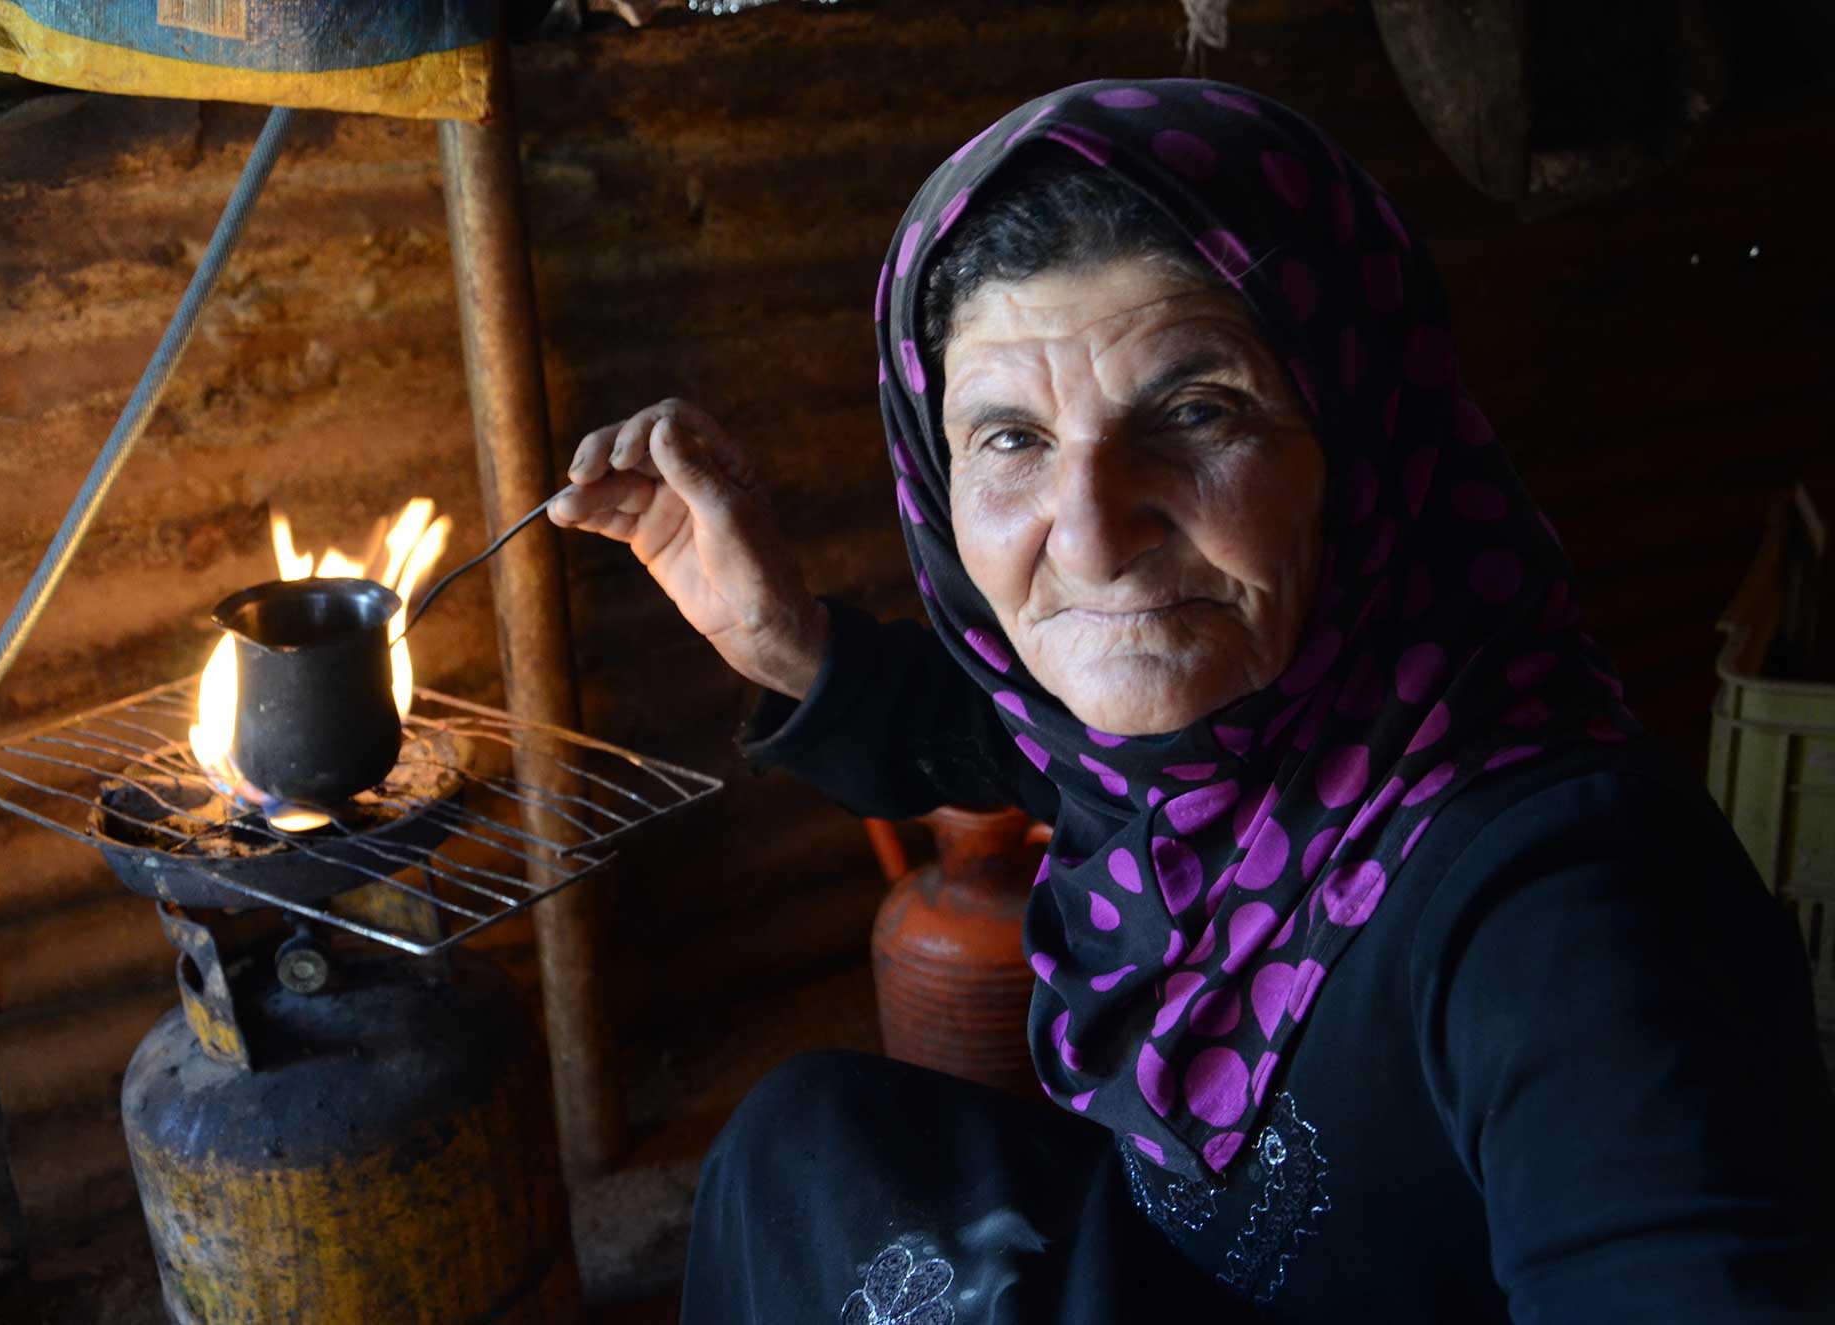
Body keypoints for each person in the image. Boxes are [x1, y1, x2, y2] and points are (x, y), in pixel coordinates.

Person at [551, 80, 1834, 1323]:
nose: (1095, 537)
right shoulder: (1202, 744)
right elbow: (1000, 730)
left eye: (1196, 409)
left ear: (1366, 438)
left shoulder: (1566, 910)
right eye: (1009, 438)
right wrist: (779, 639)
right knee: (803, 1144)